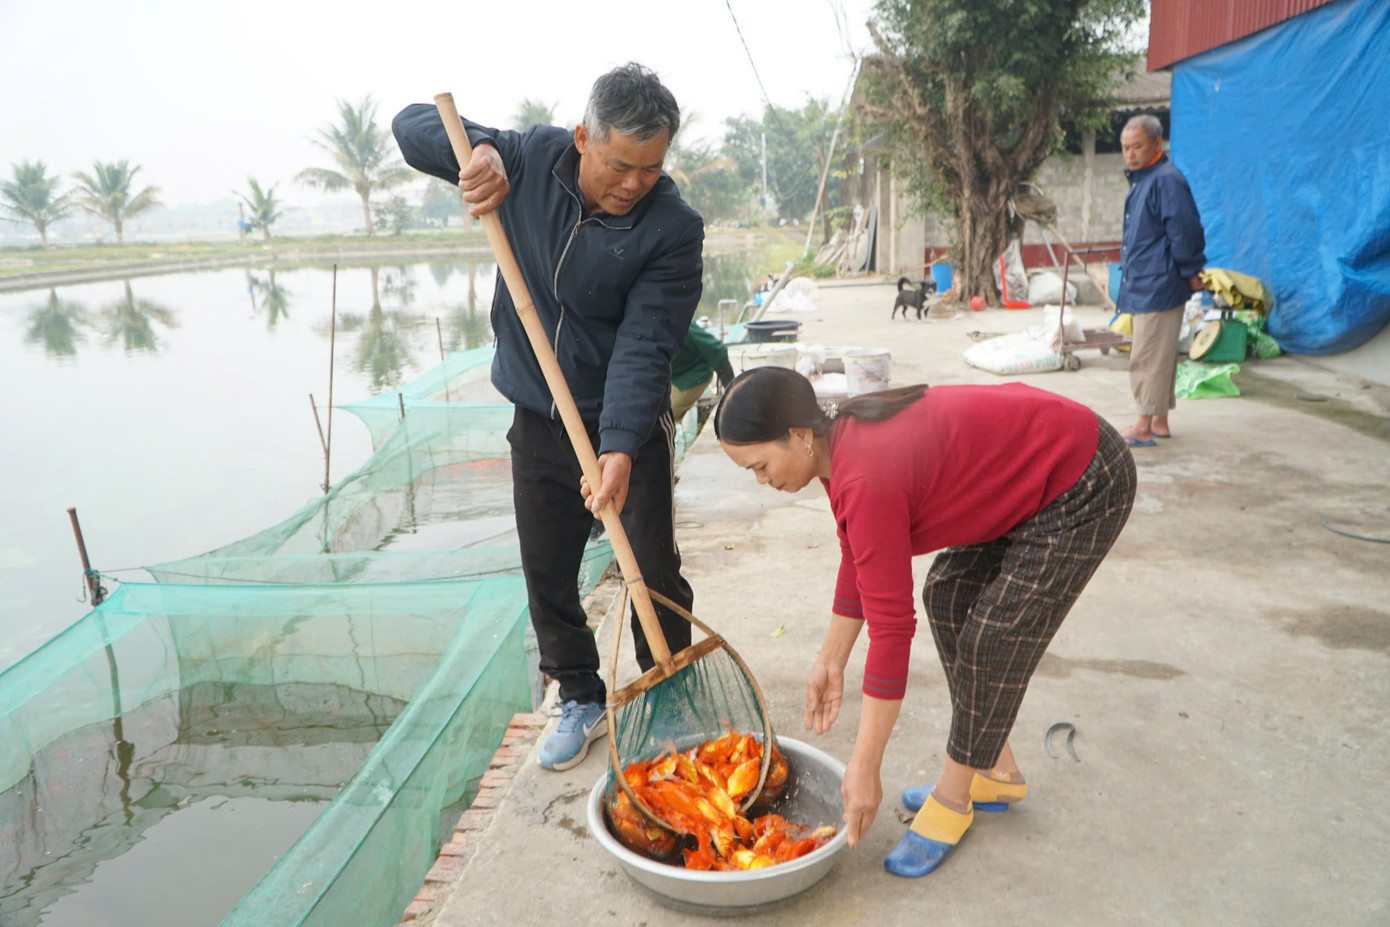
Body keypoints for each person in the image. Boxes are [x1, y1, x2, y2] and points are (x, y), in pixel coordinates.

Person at [393, 63, 704, 771]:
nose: (633, 183)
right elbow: (412, 127)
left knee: (651, 568)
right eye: (619, 165)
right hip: (539, 416)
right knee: (547, 570)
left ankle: (668, 682)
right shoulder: (530, 159)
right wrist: (483, 157)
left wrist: (620, 445)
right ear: (581, 139)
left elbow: (645, 343)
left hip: (624, 422)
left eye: (650, 169)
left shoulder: (673, 229)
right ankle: (579, 693)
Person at [712, 367, 1136, 877]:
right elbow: (860, 551)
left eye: (759, 465)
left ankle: (955, 799)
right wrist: (831, 660)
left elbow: (892, 628)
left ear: (798, 436)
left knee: (992, 637)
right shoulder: (835, 447)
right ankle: (995, 768)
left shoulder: (865, 470)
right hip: (1031, 470)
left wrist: (865, 766)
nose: (762, 481)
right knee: (948, 593)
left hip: (1081, 476)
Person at [1117, 113, 1207, 447]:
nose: (1130, 154)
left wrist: (1190, 268)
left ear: (1158, 143)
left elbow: (1184, 229)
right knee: (1161, 353)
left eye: (1136, 146)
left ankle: (1142, 424)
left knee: (1148, 353)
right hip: (1151, 280)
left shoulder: (1165, 179)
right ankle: (1159, 421)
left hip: (1158, 282)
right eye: (1125, 148)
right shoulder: (1147, 180)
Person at [670, 321, 735, 422]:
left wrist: (732, 392)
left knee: (662, 416)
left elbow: (717, 351)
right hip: (667, 376)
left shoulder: (678, 322)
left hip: (691, 375)